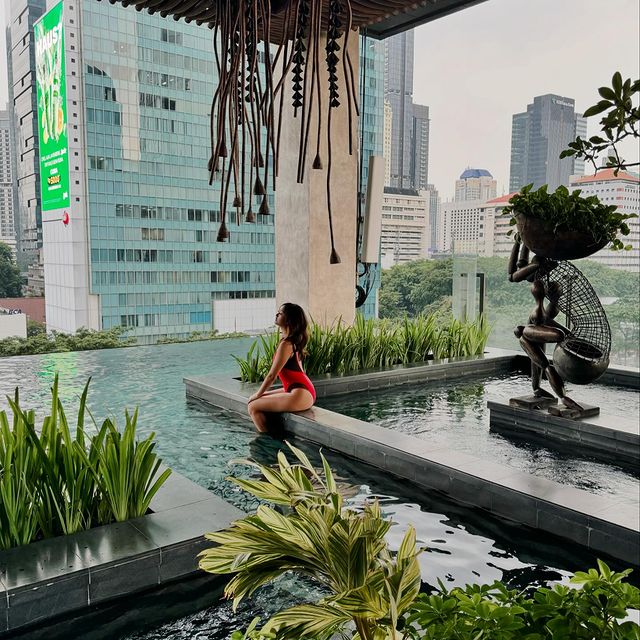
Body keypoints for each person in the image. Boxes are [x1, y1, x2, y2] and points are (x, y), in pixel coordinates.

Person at [247, 302, 316, 432]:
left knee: (253, 406)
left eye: (281, 313)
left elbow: (272, 376)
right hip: (299, 389)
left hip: (300, 393)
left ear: (289, 319)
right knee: (259, 398)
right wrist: (260, 394)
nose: (276, 314)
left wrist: (257, 394)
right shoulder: (290, 340)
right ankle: (272, 435)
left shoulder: (287, 344)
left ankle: (269, 445)